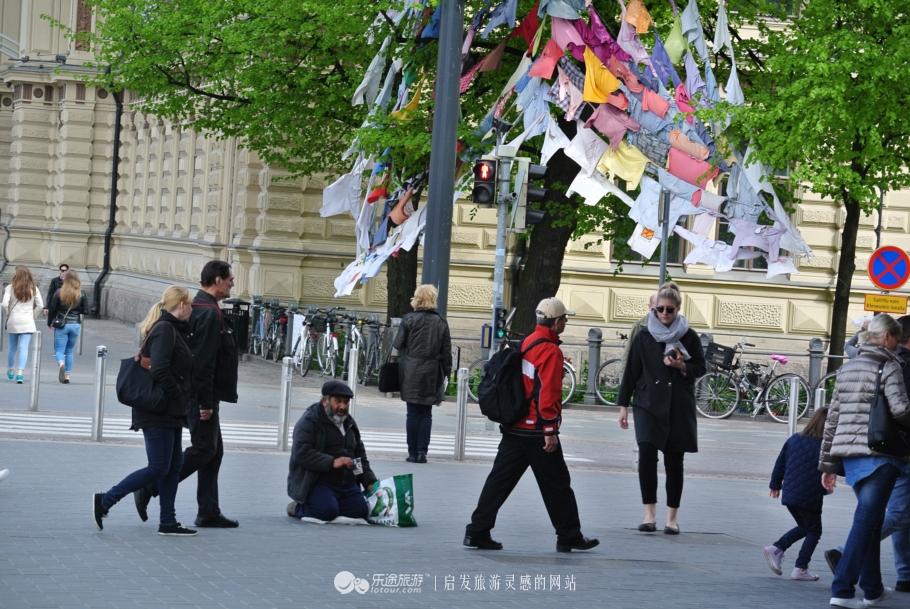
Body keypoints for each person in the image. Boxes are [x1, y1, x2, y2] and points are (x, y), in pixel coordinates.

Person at [464, 297, 599, 553]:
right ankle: (569, 535)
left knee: (499, 481)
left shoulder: (528, 341)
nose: (566, 322)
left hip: (515, 426)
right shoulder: (550, 350)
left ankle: (476, 531)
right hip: (536, 430)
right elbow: (548, 394)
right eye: (565, 319)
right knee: (557, 484)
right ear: (557, 321)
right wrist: (550, 430)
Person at [134, 260, 240, 528]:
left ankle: (208, 510)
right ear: (217, 280)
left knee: (213, 452)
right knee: (205, 449)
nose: (232, 284)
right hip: (199, 394)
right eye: (230, 279)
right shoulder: (207, 312)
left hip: (200, 393)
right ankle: (150, 487)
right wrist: (205, 402)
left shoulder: (204, 309)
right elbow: (202, 363)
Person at [819, 314, 910, 608]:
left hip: (851, 458)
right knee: (865, 521)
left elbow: (832, 419)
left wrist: (829, 465)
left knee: (869, 521)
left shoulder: (847, 368)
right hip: (880, 453)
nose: (897, 345)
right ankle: (842, 589)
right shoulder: (889, 365)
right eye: (896, 339)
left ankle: (871, 589)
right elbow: (899, 409)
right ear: (886, 338)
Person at [92, 286, 195, 535]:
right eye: (190, 305)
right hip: (156, 409)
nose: (192, 309)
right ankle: (105, 500)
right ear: (181, 305)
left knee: (173, 465)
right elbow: (159, 369)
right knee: (159, 466)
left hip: (168, 411)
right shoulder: (164, 329)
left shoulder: (172, 329)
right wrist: (177, 394)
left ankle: (168, 522)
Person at [617, 281, 706, 534]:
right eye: (660, 309)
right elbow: (631, 371)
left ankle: (671, 519)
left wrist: (682, 367)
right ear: (653, 309)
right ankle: (649, 515)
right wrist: (623, 405)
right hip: (647, 403)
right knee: (646, 455)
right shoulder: (644, 335)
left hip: (678, 404)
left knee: (674, 461)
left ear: (678, 308)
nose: (664, 314)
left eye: (669, 309)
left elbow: (701, 367)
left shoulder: (689, 336)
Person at [286, 381, 377, 521]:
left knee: (360, 512)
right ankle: (298, 507)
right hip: (319, 482)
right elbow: (301, 453)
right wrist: (332, 462)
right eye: (338, 401)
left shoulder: (349, 423)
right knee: (327, 512)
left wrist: (370, 483)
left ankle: (331, 503)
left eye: (346, 402)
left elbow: (359, 456)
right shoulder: (310, 420)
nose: (342, 406)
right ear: (325, 401)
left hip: (347, 484)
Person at [763, 407, 830, 581]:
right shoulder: (825, 445)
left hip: (791, 494)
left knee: (805, 527)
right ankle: (800, 568)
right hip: (810, 495)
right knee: (814, 531)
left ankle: (777, 549)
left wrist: (775, 484)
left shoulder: (795, 438)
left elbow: (781, 462)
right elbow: (840, 467)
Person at [393, 284, 452, 463]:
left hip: (411, 369)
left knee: (412, 413)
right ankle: (422, 452)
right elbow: (447, 351)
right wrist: (447, 372)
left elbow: (398, 345)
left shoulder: (409, 319)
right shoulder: (441, 322)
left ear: (416, 298)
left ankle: (412, 453)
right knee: (426, 413)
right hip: (432, 371)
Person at [2, 266, 44, 383]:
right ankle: (20, 373)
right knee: (24, 347)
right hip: (27, 321)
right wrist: (33, 315)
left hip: (14, 319)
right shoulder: (34, 288)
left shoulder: (10, 288)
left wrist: (8, 314)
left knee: (12, 347)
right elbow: (40, 305)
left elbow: (4, 304)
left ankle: (11, 370)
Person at [47, 269, 87, 384]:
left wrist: (49, 322)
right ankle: (67, 376)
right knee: (69, 350)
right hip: (75, 324)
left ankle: (61, 364)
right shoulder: (81, 293)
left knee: (59, 350)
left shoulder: (59, 292)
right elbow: (85, 310)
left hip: (62, 325)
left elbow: (52, 309)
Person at [620, 293, 657, 371]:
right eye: (657, 307)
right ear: (649, 306)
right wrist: (624, 380)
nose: (662, 312)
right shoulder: (639, 325)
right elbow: (628, 353)